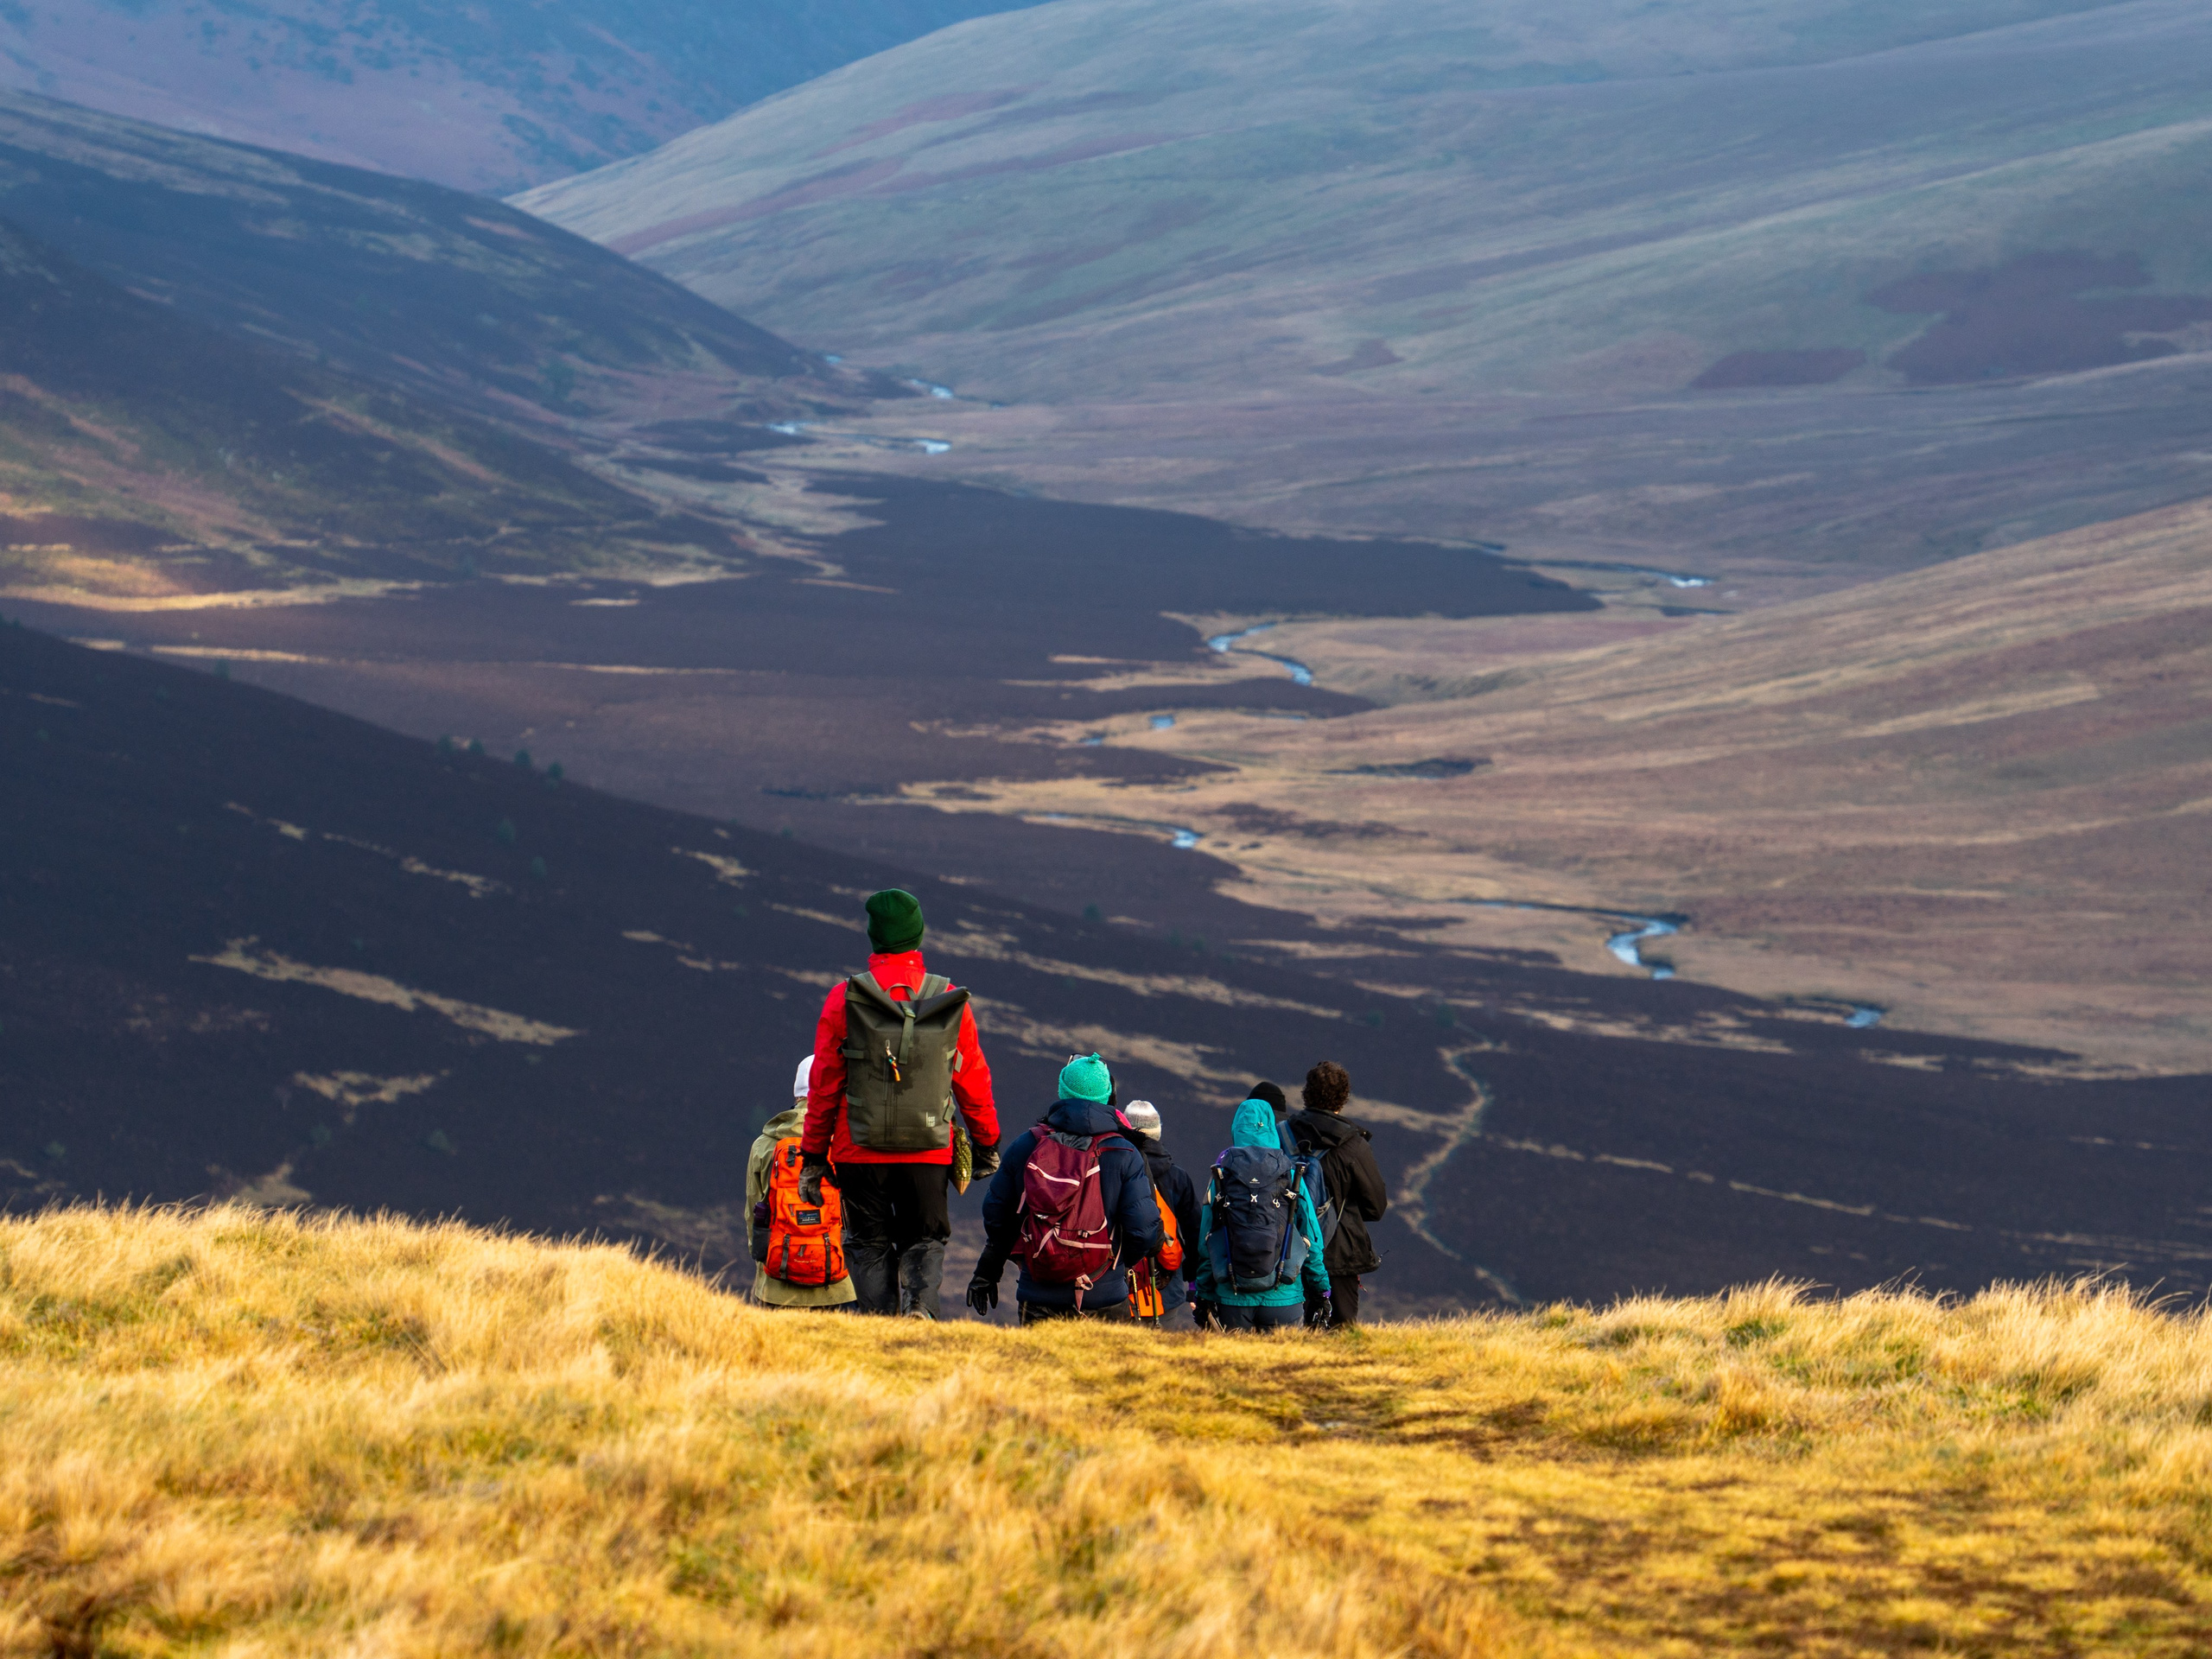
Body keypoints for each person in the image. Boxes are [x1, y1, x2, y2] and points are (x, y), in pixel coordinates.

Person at [799, 888, 999, 1318]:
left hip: (858, 1150)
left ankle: (877, 1327)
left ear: (874, 937)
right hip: (928, 1150)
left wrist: (814, 1155)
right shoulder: (948, 1000)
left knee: (868, 1243)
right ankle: (920, 1313)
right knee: (924, 1240)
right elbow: (971, 1079)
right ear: (918, 936)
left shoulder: (843, 999)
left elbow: (824, 1085)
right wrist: (986, 1143)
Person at [967, 1054, 1163, 1324]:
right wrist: (1114, 1265)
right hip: (1103, 1296)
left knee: (1041, 1366)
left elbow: (997, 1216)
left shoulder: (1027, 1145)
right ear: (1107, 1095)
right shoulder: (1125, 1152)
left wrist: (988, 1271)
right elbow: (1143, 1228)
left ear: (1062, 1092)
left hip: (1039, 1294)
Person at [1194, 1096, 1330, 1332]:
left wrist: (1204, 1293)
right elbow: (1312, 1238)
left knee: (1236, 1367)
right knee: (1284, 1367)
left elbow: (1207, 1240)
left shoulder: (1222, 1176)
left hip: (1233, 1297)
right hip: (1284, 1297)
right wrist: (1321, 1291)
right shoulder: (1289, 1173)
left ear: (1236, 1129)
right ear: (1270, 1127)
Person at [1286, 1059, 1389, 1329]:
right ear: (1343, 1097)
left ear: (1306, 1094)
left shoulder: (1280, 1136)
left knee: (1290, 1334)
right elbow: (1376, 1208)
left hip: (1287, 1248)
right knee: (1340, 1333)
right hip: (1339, 1255)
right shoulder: (1354, 1146)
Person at [747, 1056, 856, 1310]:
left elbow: (753, 1212)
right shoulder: (848, 1143)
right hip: (837, 1282)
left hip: (777, 1282)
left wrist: (763, 1265)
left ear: (797, 1095)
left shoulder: (764, 1145)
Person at [1120, 1100, 1201, 1326]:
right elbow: (1195, 1231)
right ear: (1157, 1133)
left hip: (1121, 1285)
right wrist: (1194, 1282)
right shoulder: (1178, 1177)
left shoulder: (1113, 1168)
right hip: (1166, 1290)